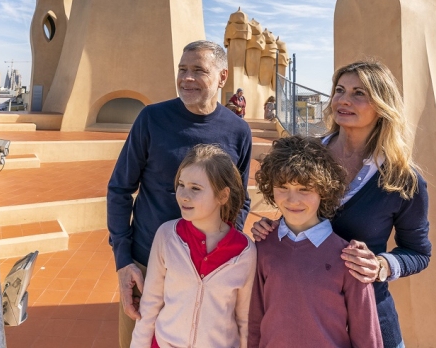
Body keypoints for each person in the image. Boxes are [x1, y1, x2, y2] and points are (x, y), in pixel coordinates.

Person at [252, 61, 431, 348]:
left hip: (373, 325)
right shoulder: (307, 153)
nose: (344, 100)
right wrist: (274, 227)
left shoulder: (403, 179)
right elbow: (297, 209)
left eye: (359, 93)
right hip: (307, 324)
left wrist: (381, 265)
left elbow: (419, 252)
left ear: (382, 105)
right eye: (339, 90)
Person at [108, 40, 254, 348]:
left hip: (209, 273)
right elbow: (120, 188)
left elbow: (239, 199)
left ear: (222, 77)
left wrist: (225, 248)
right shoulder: (151, 119)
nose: (186, 78)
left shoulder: (238, 131)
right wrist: (124, 260)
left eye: (198, 70)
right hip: (146, 264)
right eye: (182, 69)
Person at [249, 135, 381, 348]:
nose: (293, 200)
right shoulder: (262, 247)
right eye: (283, 187)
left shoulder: (349, 257)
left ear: (324, 189)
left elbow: (367, 336)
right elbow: (255, 321)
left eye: (304, 189)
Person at [131, 144, 256, 348]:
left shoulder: (245, 252)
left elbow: (245, 320)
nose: (183, 195)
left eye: (196, 188)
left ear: (223, 196)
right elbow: (150, 305)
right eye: (181, 184)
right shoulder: (167, 236)